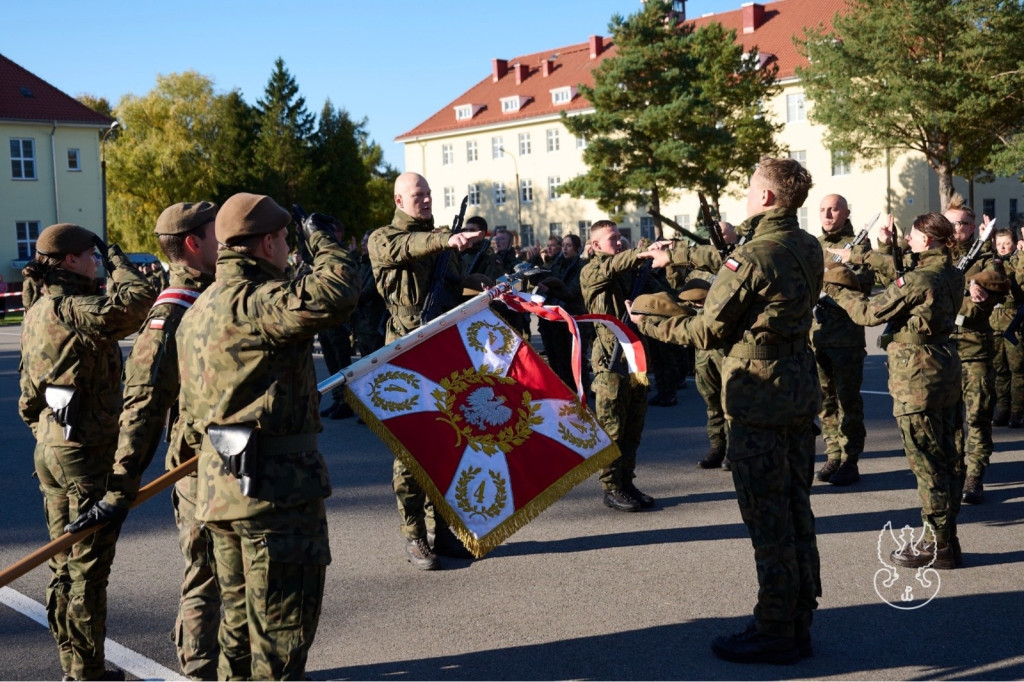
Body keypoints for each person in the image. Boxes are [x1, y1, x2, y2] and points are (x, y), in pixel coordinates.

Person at [631, 157, 822, 664]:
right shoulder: (807, 244)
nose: (745, 195)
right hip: (797, 391)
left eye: (750, 188)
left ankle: (775, 629)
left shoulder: (754, 256)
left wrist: (648, 321)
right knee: (796, 509)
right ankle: (799, 619)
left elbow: (705, 332)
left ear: (765, 198)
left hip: (759, 398)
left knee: (768, 519)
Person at [176, 193, 359, 680]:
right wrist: (321, 238)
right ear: (268, 243)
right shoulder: (257, 301)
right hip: (275, 500)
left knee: (237, 638)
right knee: (281, 643)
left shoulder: (198, 310)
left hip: (223, 494)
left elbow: (191, 413)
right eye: (283, 241)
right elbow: (339, 290)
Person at [65, 202, 222, 679]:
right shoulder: (172, 312)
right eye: (219, 235)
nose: (228, 243)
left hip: (234, 464)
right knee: (206, 573)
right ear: (193, 244)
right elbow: (143, 406)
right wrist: (120, 489)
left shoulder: (217, 294)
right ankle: (198, 670)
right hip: (198, 468)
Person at [18, 223, 156, 681]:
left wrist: (47, 434)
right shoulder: (71, 307)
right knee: (87, 570)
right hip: (82, 452)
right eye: (91, 255)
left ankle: (75, 665)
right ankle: (87, 673)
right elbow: (137, 304)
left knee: (65, 563)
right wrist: (120, 262)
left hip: (53, 447)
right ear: (71, 260)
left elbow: (27, 394)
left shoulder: (36, 309)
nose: (96, 262)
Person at [830, 213, 965, 570]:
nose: (909, 237)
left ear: (931, 239)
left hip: (917, 377)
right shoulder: (951, 271)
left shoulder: (921, 278)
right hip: (943, 368)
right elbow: (905, 275)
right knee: (948, 456)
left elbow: (869, 312)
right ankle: (947, 538)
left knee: (927, 461)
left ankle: (937, 546)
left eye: (915, 233)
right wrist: (888, 247)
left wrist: (833, 288)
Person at [368, 172, 486, 570]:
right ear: (399, 201)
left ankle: (446, 531)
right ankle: (415, 536)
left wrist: (498, 287)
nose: (426, 199)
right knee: (410, 449)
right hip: (404, 356)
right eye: (417, 194)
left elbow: (458, 286)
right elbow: (408, 246)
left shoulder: (443, 242)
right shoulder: (383, 238)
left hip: (443, 352)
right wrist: (445, 240)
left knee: (450, 443)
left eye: (429, 193)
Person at [580, 220, 656, 512]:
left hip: (635, 360)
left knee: (633, 427)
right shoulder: (592, 271)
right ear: (596, 245)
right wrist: (642, 253)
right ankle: (611, 487)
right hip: (609, 364)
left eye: (622, 236)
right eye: (613, 238)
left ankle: (627, 481)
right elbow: (610, 268)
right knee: (612, 428)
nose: (621, 241)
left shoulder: (629, 271)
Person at [945, 197, 1004, 505]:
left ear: (973, 228)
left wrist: (966, 286)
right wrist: (967, 285)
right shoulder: (934, 254)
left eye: (965, 223)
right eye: (953, 222)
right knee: (950, 417)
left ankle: (974, 474)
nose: (959, 228)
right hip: (941, 350)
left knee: (978, 415)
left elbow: (995, 283)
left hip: (975, 348)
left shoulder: (984, 257)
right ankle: (956, 469)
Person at [812, 194, 872, 487]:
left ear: (846, 212)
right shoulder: (812, 245)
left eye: (833, 209)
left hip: (846, 336)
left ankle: (850, 460)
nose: (827, 215)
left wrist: (836, 275)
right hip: (817, 335)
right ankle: (833, 453)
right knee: (825, 401)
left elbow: (867, 283)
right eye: (823, 210)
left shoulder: (858, 246)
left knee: (848, 401)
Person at [536, 233, 586, 388]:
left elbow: (572, 293)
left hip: (570, 317)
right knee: (555, 357)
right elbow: (543, 276)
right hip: (553, 319)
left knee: (571, 359)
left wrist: (551, 290)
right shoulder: (557, 264)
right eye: (563, 245)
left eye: (569, 245)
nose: (565, 248)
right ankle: (561, 388)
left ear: (577, 249)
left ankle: (576, 390)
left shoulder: (581, 267)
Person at [993, 227, 1024, 427]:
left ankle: (1017, 413)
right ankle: (1002, 410)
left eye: (1007, 243)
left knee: (1018, 370)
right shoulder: (992, 262)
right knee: (999, 370)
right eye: (999, 244)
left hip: (1014, 322)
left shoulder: (1017, 261)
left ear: (1014, 244)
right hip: (994, 323)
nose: (1002, 247)